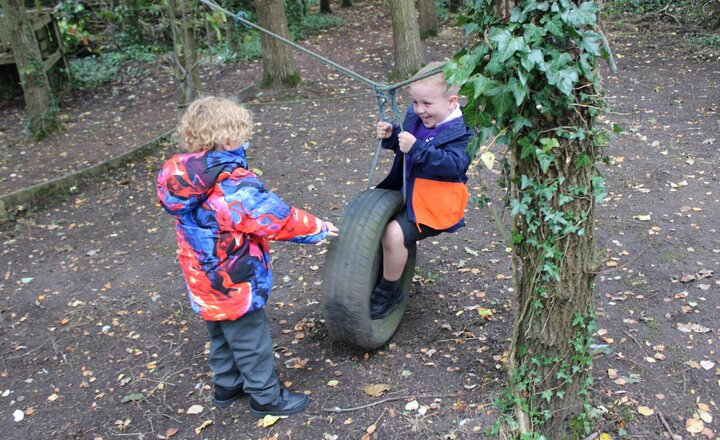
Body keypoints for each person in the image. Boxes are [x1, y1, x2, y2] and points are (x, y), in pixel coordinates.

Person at [156, 96, 338, 417]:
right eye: (242, 134)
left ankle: (227, 386)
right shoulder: (230, 184)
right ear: (227, 138)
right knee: (251, 341)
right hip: (233, 279)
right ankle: (266, 397)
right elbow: (275, 218)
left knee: (220, 334)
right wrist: (318, 228)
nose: (245, 140)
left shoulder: (182, 177)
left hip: (201, 277)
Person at [371, 61, 473, 320]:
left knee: (393, 234)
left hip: (435, 205)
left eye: (426, 104)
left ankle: (390, 290)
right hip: (409, 193)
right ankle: (375, 269)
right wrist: (392, 135)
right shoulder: (415, 116)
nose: (419, 110)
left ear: (452, 102)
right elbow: (403, 144)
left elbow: (454, 166)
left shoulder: (463, 131)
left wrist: (417, 148)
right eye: (415, 103)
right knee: (373, 223)